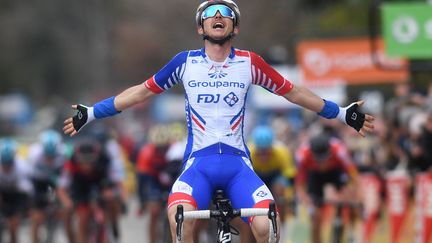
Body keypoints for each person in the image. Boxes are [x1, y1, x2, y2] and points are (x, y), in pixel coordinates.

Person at [62, 1, 374, 242]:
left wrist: (342, 112)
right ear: (201, 28)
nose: (218, 16)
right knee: (179, 219)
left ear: (234, 28)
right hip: (198, 164)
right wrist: (92, 112)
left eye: (226, 13)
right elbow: (141, 92)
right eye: (210, 13)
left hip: (239, 166)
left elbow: (293, 93)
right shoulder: (185, 62)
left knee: (267, 224)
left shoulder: (250, 62)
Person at [57, 138, 125, 243]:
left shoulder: (105, 159)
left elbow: (118, 182)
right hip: (80, 188)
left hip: (101, 183)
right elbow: (61, 187)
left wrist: (118, 196)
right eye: (83, 161)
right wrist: (67, 202)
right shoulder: (71, 163)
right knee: (82, 218)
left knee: (111, 201)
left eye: (90, 161)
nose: (86, 165)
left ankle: (113, 224)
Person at [295, 134, 359, 243]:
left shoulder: (340, 150)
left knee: (349, 200)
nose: (322, 164)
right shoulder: (302, 155)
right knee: (315, 218)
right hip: (315, 175)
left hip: (336, 171)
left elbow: (353, 175)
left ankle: (351, 231)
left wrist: (351, 194)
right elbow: (299, 185)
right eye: (319, 160)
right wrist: (307, 202)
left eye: (324, 159)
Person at [249, 125, 296, 222]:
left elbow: (290, 177)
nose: (264, 156)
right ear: (256, 148)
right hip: (257, 176)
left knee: (280, 191)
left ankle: (281, 224)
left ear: (271, 147)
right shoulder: (249, 152)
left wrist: (291, 199)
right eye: (260, 153)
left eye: (266, 152)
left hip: (275, 176)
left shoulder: (282, 152)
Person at [27, 129, 67, 243]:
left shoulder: (63, 152)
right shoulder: (34, 153)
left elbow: (65, 176)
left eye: (51, 156)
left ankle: (59, 222)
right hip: (38, 181)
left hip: (55, 180)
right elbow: (28, 178)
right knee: (36, 217)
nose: (49, 160)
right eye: (47, 156)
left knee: (64, 203)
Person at [135, 124, 173, 242]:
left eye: (164, 147)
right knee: (154, 212)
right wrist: (142, 202)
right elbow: (142, 181)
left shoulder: (174, 149)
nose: (162, 150)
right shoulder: (146, 153)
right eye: (159, 147)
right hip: (153, 181)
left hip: (171, 179)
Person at [0, 138, 33, 243]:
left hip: (17, 194)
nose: (6, 167)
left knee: (13, 226)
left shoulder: (22, 167)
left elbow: (27, 192)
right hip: (2, 192)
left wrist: (27, 209)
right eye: (4, 164)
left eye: (9, 164)